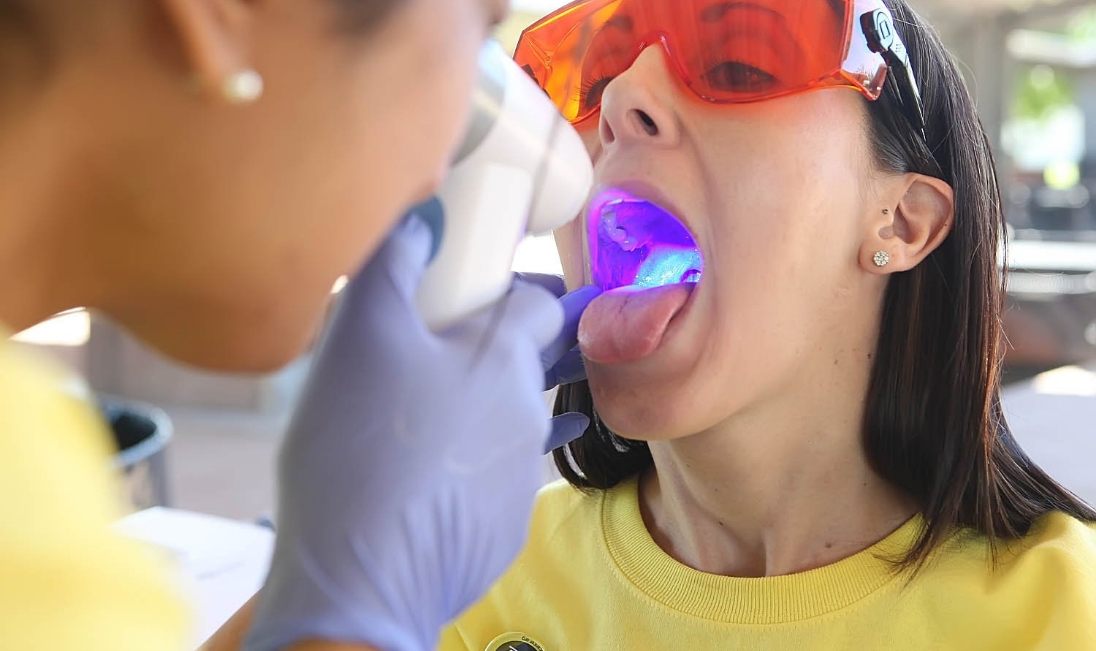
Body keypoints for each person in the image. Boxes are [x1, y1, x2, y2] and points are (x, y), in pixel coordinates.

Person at [440, 1, 1096, 649]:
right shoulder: (469, 579)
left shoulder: (1069, 609)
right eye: (591, 76)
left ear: (901, 222)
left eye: (738, 62)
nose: (620, 100)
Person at [0, 0, 598, 649]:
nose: (438, 168)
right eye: (479, 32)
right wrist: (366, 601)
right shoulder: (24, 502)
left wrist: (328, 570)